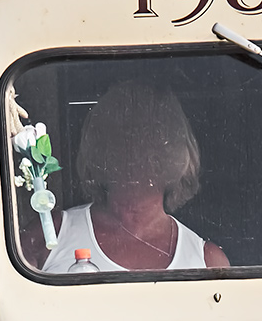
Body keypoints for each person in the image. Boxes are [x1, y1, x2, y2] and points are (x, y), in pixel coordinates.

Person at [41, 81, 229, 272]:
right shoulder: (49, 236)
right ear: (98, 149)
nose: (134, 151)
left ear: (174, 153)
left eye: (150, 136)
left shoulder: (208, 261)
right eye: (121, 135)